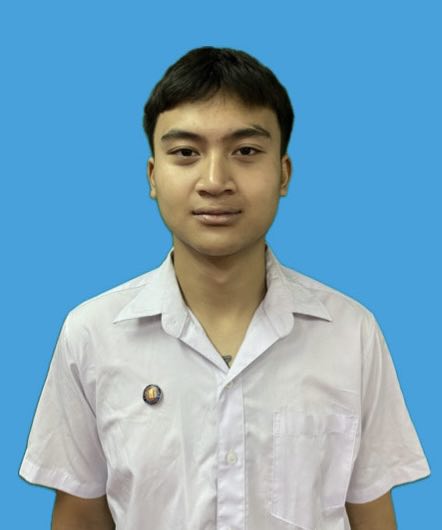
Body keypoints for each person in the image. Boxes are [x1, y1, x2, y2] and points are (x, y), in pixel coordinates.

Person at [20, 46, 430, 530]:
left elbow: (372, 515)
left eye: (246, 151)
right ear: (153, 176)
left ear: (283, 174)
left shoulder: (350, 333)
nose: (215, 181)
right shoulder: (91, 334)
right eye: (186, 153)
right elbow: (81, 517)